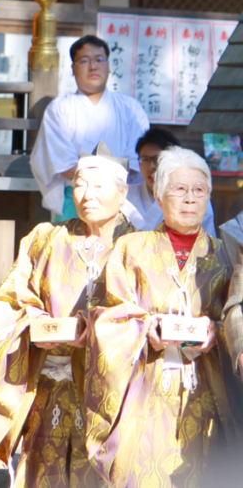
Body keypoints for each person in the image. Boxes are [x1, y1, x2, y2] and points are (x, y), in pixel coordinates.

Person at [0, 145, 134, 487]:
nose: (87, 194)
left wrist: (101, 332)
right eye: (79, 184)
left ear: (122, 194)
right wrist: (36, 324)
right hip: (50, 383)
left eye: (99, 186)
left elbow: (145, 309)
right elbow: (11, 299)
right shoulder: (44, 238)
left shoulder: (138, 245)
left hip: (107, 392)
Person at [86, 146, 240, 487]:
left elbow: (236, 315)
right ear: (158, 196)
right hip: (146, 390)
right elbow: (105, 317)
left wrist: (216, 330)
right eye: (179, 189)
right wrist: (146, 327)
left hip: (205, 392)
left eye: (200, 190)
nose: (190, 199)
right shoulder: (131, 248)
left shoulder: (224, 256)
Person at [30, 35, 150, 221]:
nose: (93, 66)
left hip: (123, 200)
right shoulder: (59, 109)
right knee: (70, 248)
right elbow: (61, 162)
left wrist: (109, 191)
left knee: (124, 249)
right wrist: (93, 187)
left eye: (99, 59)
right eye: (85, 60)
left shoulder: (131, 109)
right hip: (77, 198)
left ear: (109, 66)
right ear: (73, 68)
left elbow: (137, 159)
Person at [126, 127, 216, 235]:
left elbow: (207, 245)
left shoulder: (195, 197)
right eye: (145, 160)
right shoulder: (126, 196)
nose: (151, 167)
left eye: (158, 159)